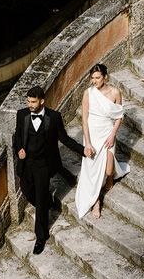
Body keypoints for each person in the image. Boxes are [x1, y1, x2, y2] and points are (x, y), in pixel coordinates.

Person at [14, 85, 89, 254]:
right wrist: (19, 149)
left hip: (43, 165)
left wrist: (83, 150)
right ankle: (48, 201)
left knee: (39, 200)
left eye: (33, 102)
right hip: (26, 164)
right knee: (27, 191)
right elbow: (17, 136)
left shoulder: (54, 117)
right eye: (28, 101)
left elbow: (64, 139)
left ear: (42, 101)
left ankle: (41, 236)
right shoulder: (22, 115)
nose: (30, 105)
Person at [75, 63, 130, 219]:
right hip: (92, 134)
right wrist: (88, 142)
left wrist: (113, 134)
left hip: (107, 133)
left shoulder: (115, 92)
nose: (94, 81)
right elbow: (84, 120)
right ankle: (96, 202)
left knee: (107, 171)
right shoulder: (88, 93)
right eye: (92, 78)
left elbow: (119, 116)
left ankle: (111, 177)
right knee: (94, 172)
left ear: (105, 77)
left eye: (97, 78)